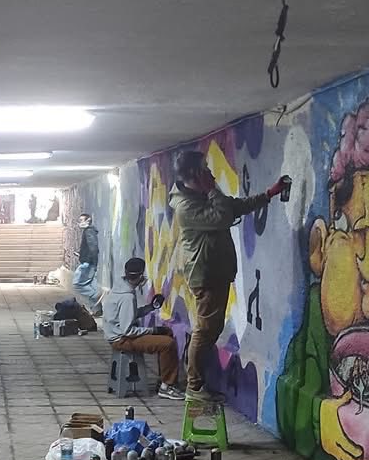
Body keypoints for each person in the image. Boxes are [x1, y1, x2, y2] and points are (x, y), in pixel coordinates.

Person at [169, 150, 289, 401]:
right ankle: (194, 386)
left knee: (210, 329)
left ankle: (197, 383)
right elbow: (222, 216)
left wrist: (269, 194)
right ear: (195, 173)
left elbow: (234, 207)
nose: (210, 173)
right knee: (205, 330)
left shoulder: (197, 197)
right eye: (205, 168)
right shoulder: (186, 206)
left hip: (215, 272)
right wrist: (212, 190)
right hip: (206, 274)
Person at [103, 258, 183, 397]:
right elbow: (128, 330)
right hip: (122, 339)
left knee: (167, 334)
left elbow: (129, 314)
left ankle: (164, 380)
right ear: (140, 276)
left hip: (117, 335)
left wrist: (151, 307)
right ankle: (167, 386)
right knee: (168, 344)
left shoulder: (120, 288)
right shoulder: (127, 297)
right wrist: (153, 330)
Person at [72, 211, 101, 309]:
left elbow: (93, 248)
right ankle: (96, 309)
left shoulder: (89, 231)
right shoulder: (89, 231)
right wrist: (81, 254)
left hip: (87, 263)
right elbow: (91, 247)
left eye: (81, 220)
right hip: (89, 262)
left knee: (77, 284)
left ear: (88, 220)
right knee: (91, 285)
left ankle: (95, 296)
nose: (79, 223)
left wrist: (88, 260)